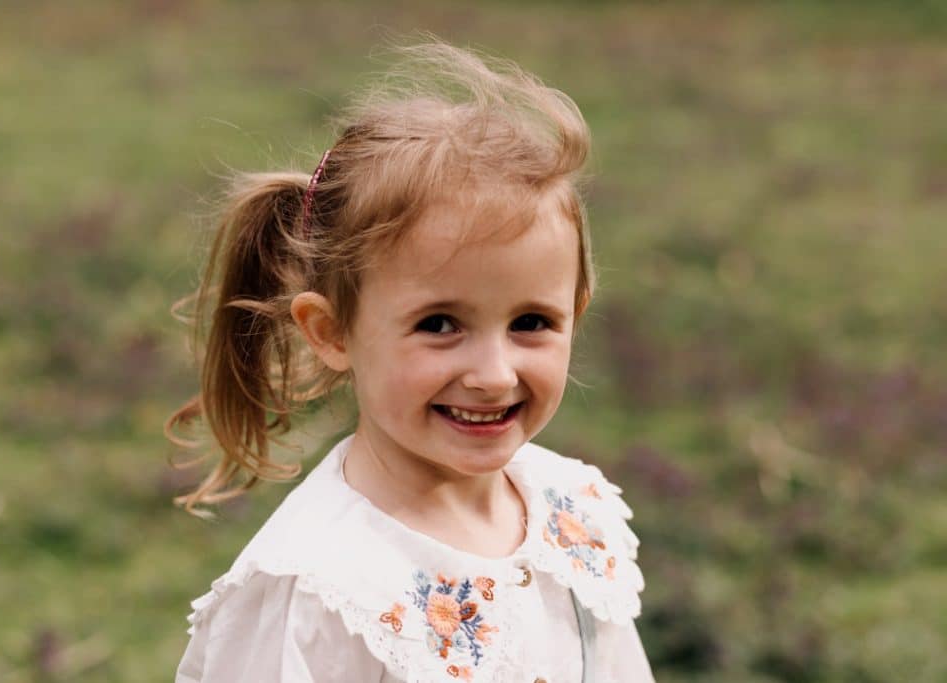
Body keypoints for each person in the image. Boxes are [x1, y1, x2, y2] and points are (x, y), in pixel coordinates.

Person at [169, 40, 655, 683]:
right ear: (332, 331)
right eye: (439, 325)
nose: (493, 374)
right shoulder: (322, 586)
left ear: (577, 311)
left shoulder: (569, 512)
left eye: (531, 322)